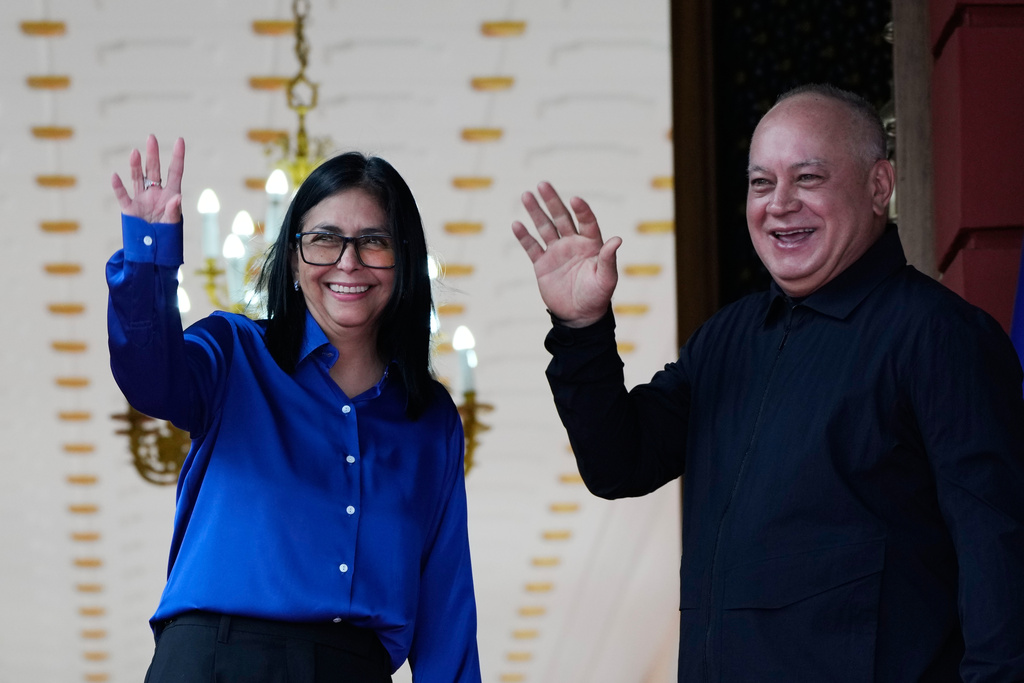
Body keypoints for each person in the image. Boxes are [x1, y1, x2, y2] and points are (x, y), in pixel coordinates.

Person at [511, 84, 1024, 681]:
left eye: (807, 178)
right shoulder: (726, 339)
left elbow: (1001, 551)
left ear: (879, 186)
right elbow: (620, 465)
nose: (779, 204)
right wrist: (582, 329)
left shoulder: (940, 335)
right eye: (761, 183)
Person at [107, 136, 481, 682]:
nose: (348, 261)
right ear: (292, 256)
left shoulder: (432, 420)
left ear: (404, 260)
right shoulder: (233, 351)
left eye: (373, 241)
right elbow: (149, 380)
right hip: (214, 661)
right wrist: (149, 255)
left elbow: (446, 611)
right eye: (324, 239)